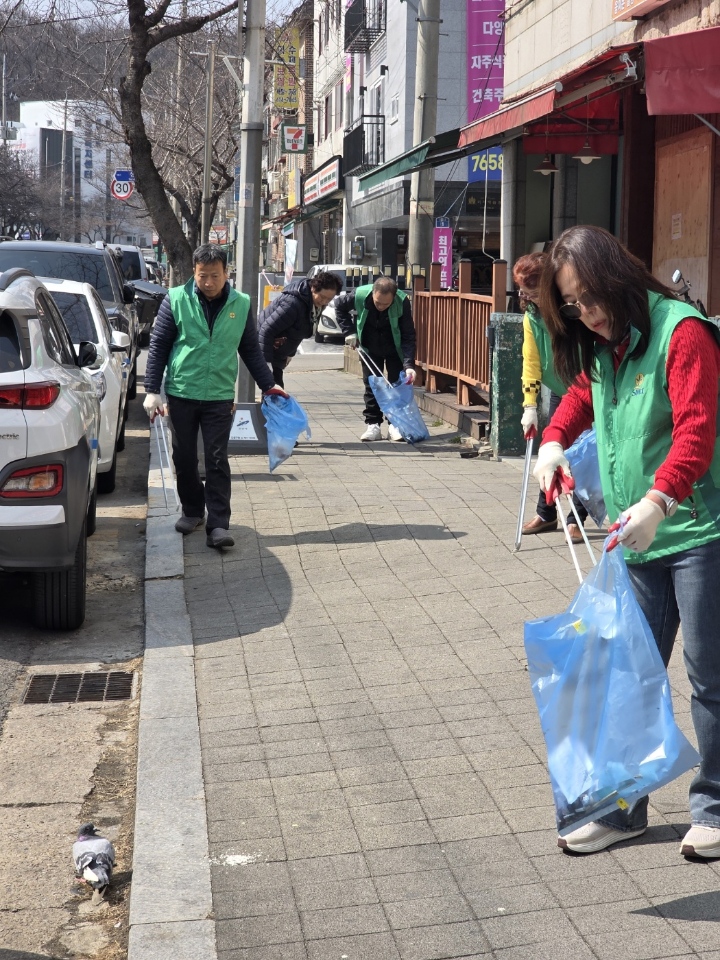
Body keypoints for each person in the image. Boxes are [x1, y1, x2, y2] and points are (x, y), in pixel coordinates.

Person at [533, 224, 720, 858]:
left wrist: (658, 500)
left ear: (616, 278)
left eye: (588, 298)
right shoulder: (602, 346)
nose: (584, 313)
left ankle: (715, 806)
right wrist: (554, 440)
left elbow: (696, 432)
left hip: (697, 530)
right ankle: (622, 809)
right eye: (571, 305)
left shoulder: (681, 332)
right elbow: (583, 396)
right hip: (635, 538)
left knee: (709, 676)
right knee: (629, 675)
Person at [143, 244, 288, 549]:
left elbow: (250, 348)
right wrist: (152, 390)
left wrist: (269, 384)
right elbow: (159, 347)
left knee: (217, 458)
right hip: (182, 391)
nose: (208, 282)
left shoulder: (241, 303)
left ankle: (219, 524)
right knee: (183, 458)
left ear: (226, 273)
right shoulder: (176, 299)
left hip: (220, 395)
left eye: (215, 275)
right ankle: (193, 511)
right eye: (202, 276)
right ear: (194, 273)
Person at [514, 252, 588, 540]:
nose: (526, 297)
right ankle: (546, 513)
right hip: (558, 389)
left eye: (531, 291)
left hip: (587, 390)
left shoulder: (572, 310)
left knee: (582, 454)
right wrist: (529, 405)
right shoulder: (531, 316)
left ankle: (576, 516)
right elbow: (530, 361)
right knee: (551, 451)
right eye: (522, 291)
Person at [334, 276, 417, 442]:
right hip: (368, 345)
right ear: (373, 293)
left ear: (393, 297)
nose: (380, 307)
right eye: (377, 302)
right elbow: (339, 306)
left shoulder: (402, 301)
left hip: (394, 346)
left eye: (385, 304)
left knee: (396, 386)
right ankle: (373, 425)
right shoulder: (359, 295)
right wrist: (349, 332)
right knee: (372, 384)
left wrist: (409, 364)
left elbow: (408, 334)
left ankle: (395, 425)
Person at [257, 271, 343, 387]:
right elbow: (266, 330)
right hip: (266, 348)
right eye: (322, 297)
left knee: (275, 391)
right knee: (274, 391)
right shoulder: (292, 304)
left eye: (329, 299)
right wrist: (266, 364)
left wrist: (290, 353)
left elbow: (297, 331)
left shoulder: (313, 304)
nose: (324, 302)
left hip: (278, 350)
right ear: (313, 288)